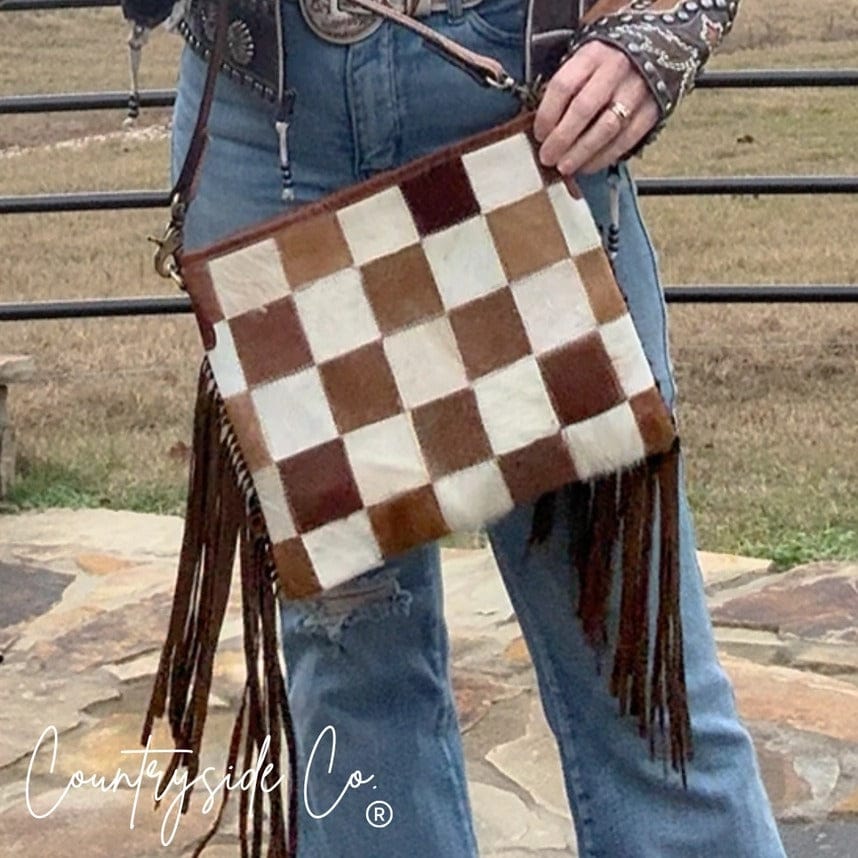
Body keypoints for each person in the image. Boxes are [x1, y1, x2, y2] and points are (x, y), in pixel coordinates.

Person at [126, 0, 788, 854]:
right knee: (349, 672)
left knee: (640, 680)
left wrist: (660, 30)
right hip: (268, 117)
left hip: (528, 102)